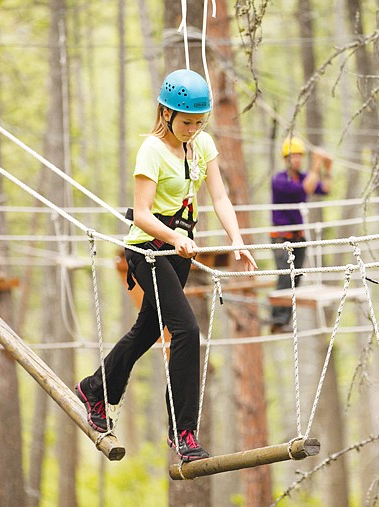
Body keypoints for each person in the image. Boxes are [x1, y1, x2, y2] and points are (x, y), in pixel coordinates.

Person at [75, 69, 257, 462]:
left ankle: (95, 388)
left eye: (199, 121)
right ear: (166, 113)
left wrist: (236, 239)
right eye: (186, 121)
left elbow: (220, 197)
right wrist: (174, 238)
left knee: (146, 330)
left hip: (179, 252)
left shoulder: (203, 145)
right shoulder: (152, 152)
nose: (193, 128)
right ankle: (183, 432)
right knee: (187, 330)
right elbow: (141, 214)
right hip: (150, 252)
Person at [269, 136, 332, 332]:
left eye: (299, 156)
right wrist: (316, 165)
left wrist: (327, 169)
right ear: (285, 159)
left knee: (296, 278)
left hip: (298, 236)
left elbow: (325, 189)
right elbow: (306, 189)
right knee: (286, 277)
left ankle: (284, 320)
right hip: (282, 237)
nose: (297, 160)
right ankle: (278, 319)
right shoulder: (279, 180)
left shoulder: (303, 176)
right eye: (293, 156)